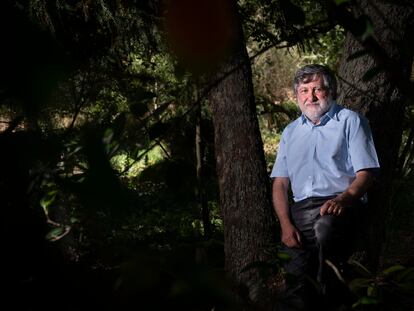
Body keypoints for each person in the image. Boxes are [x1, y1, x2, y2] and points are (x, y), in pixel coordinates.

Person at [270, 64, 380, 310]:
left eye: (318, 89)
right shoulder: (290, 132)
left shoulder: (350, 121)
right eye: (304, 90)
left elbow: (366, 174)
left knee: (325, 240)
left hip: (340, 206)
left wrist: (344, 199)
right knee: (294, 286)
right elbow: (280, 184)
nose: (311, 96)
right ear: (297, 95)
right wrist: (285, 225)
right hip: (299, 214)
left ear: (331, 91)